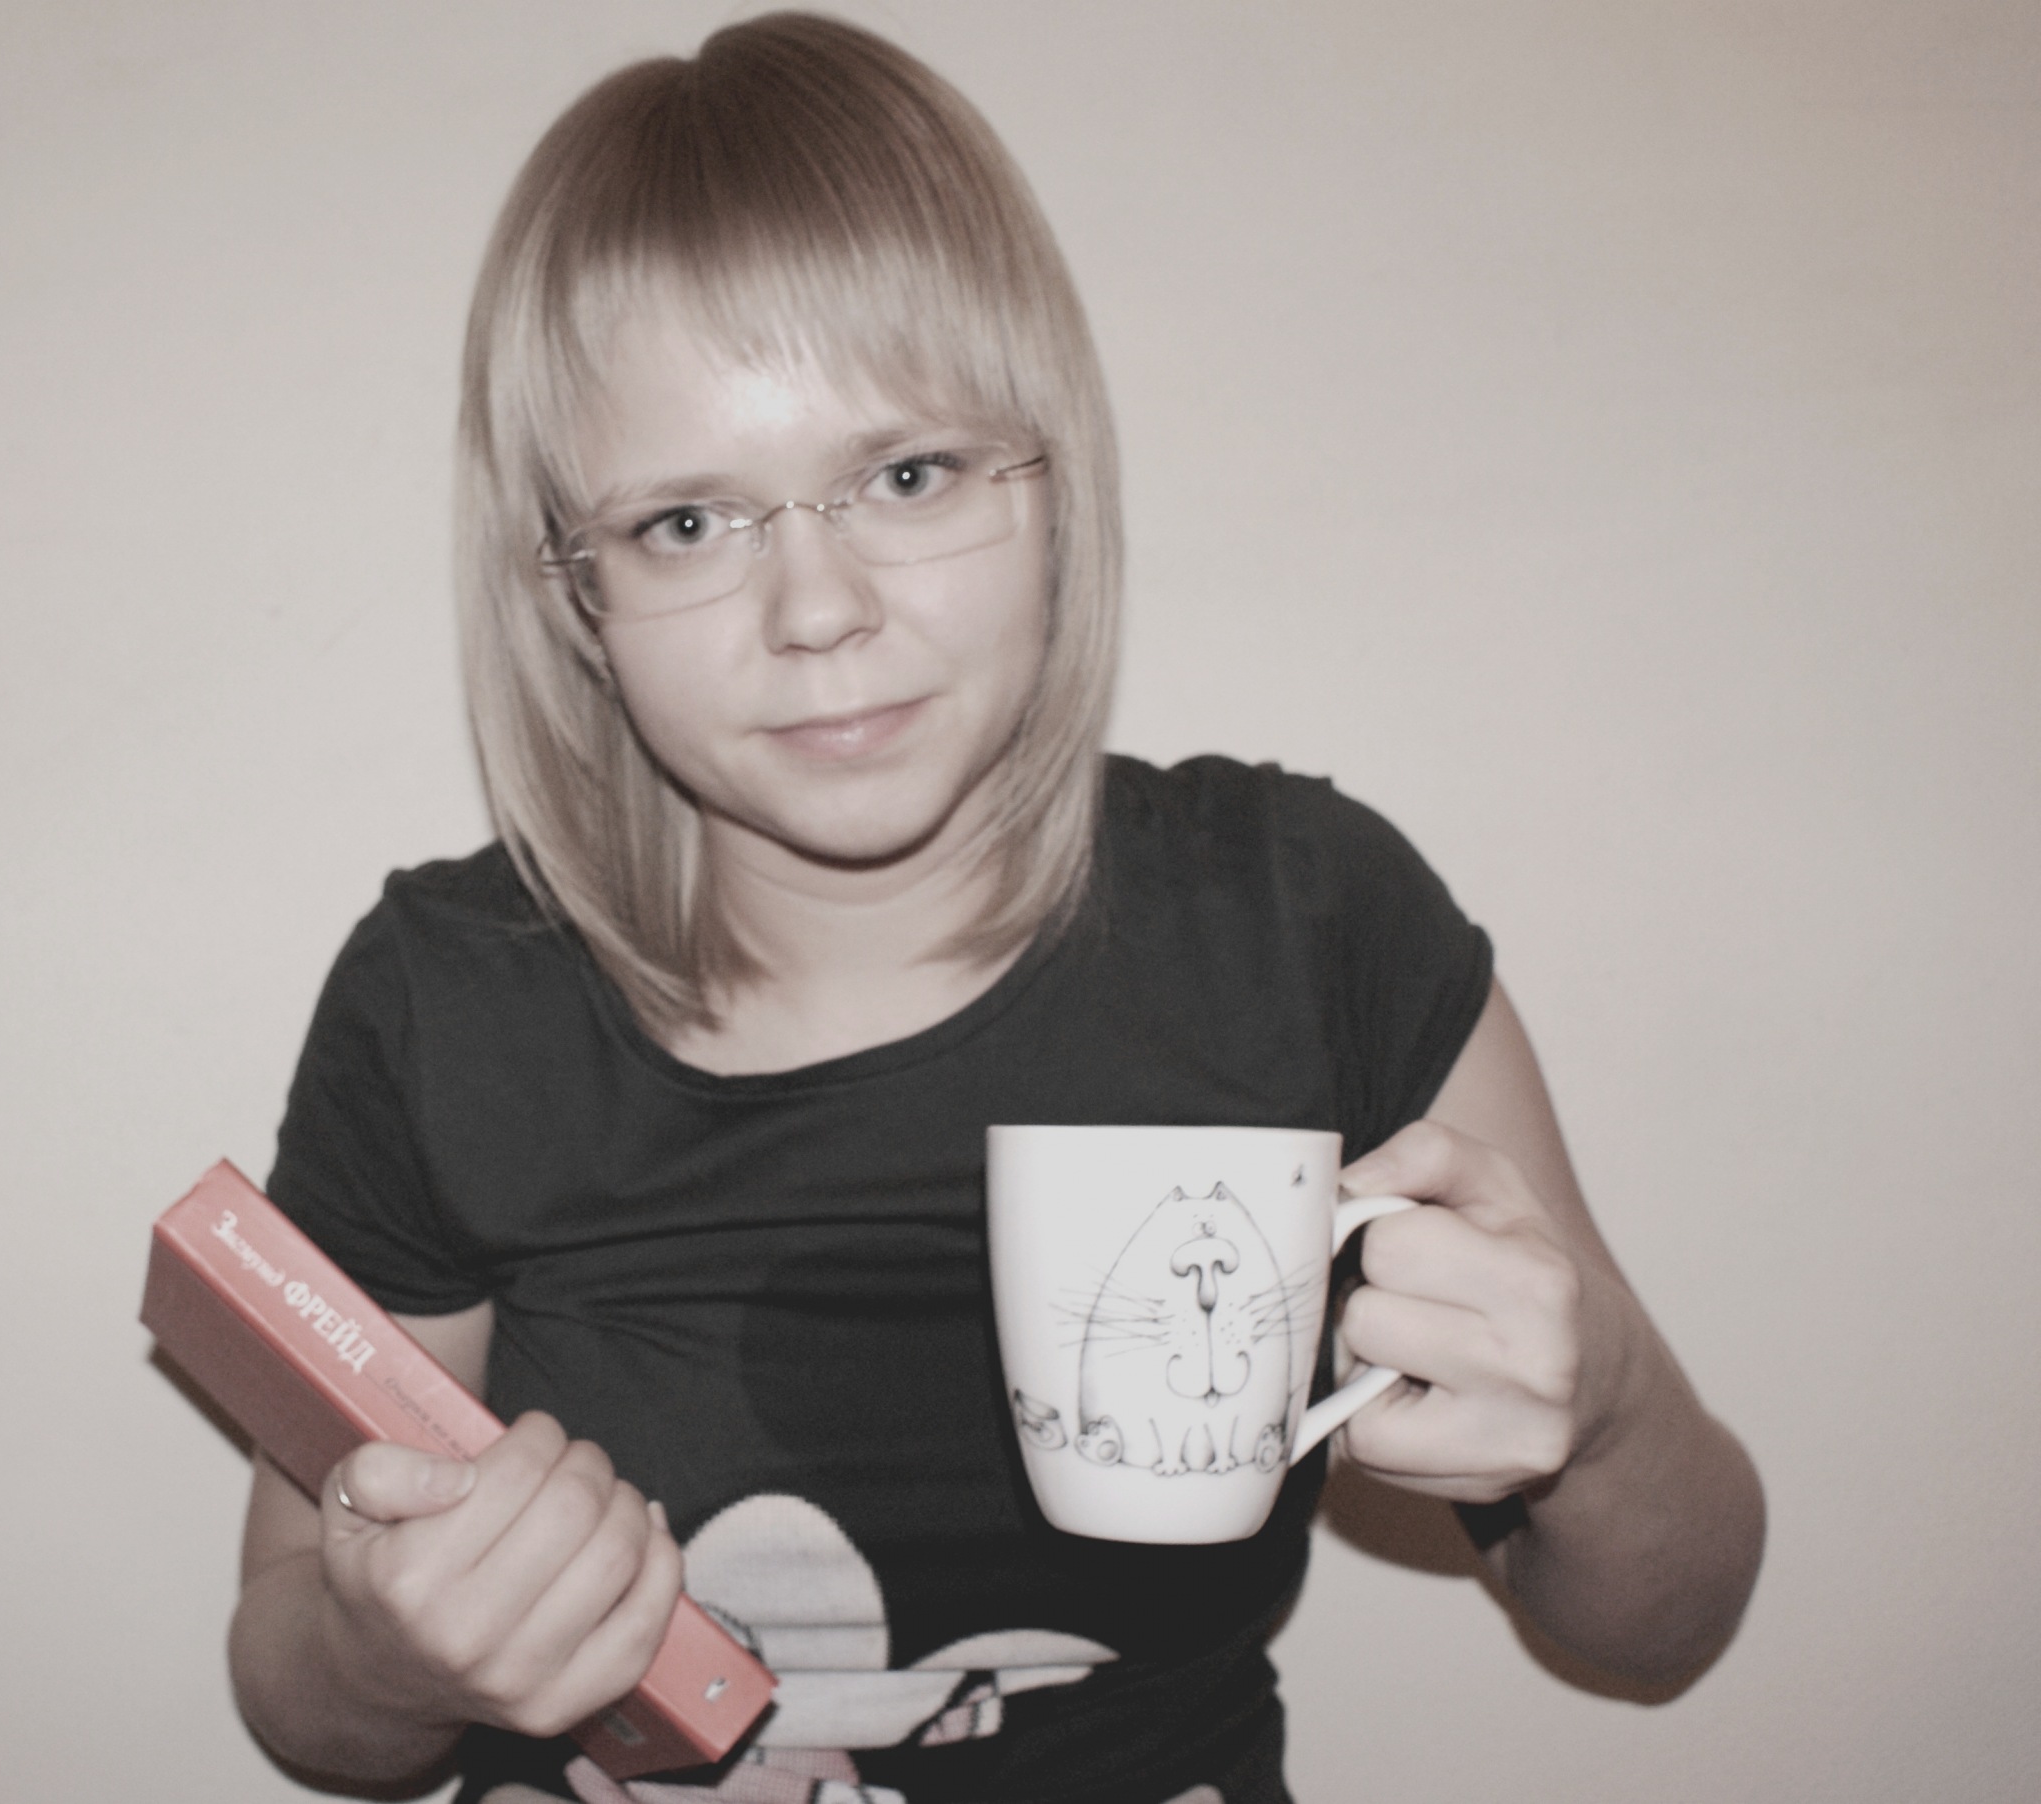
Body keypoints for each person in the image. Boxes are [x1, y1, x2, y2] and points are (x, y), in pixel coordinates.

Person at [224, 15, 1765, 1803]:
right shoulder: (445, 1002)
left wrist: (1606, 1412)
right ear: (576, 595)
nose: (819, 609)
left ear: (1051, 482)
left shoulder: (1302, 923)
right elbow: (297, 1680)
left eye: (907, 476)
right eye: (688, 524)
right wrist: (388, 1651)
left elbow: (1665, 1623)